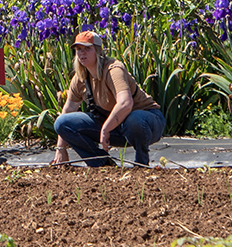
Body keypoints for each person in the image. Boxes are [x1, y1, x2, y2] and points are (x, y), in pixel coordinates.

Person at [52, 31, 165, 167]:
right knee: (62, 123)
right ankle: (102, 163)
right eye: (79, 49)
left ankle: (141, 164)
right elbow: (68, 110)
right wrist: (60, 148)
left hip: (147, 122)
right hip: (115, 128)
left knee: (135, 119)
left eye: (87, 49)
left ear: (99, 51)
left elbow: (125, 103)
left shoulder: (113, 69)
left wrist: (105, 129)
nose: (82, 53)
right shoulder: (80, 78)